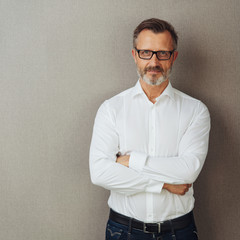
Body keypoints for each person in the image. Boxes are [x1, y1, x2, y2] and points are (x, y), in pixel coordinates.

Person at [89, 18, 210, 240]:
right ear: (135, 55)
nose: (153, 61)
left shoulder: (196, 111)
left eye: (162, 53)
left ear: (173, 56)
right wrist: (164, 184)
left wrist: (130, 160)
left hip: (179, 231)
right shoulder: (111, 109)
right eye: (146, 52)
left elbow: (188, 171)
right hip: (123, 231)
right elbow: (100, 173)